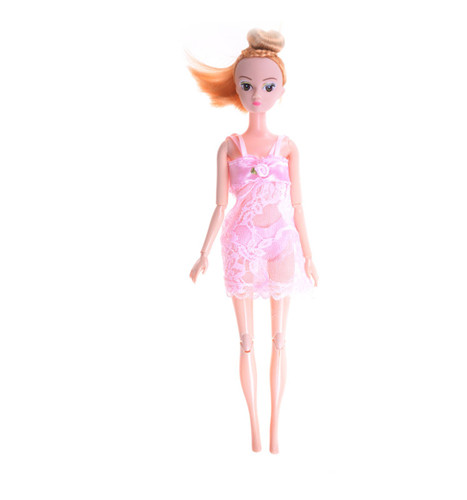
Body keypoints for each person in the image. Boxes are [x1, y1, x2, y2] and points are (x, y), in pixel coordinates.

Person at [187, 28, 319, 454]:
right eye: (247, 86)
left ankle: (276, 430)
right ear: (236, 88)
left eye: (267, 86)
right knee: (246, 342)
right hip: (241, 245)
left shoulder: (288, 147)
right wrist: (203, 253)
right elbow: (219, 205)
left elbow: (299, 207)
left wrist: (310, 256)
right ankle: (255, 433)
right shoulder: (229, 146)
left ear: (282, 90)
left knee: (280, 340)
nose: (257, 94)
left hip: (281, 243)